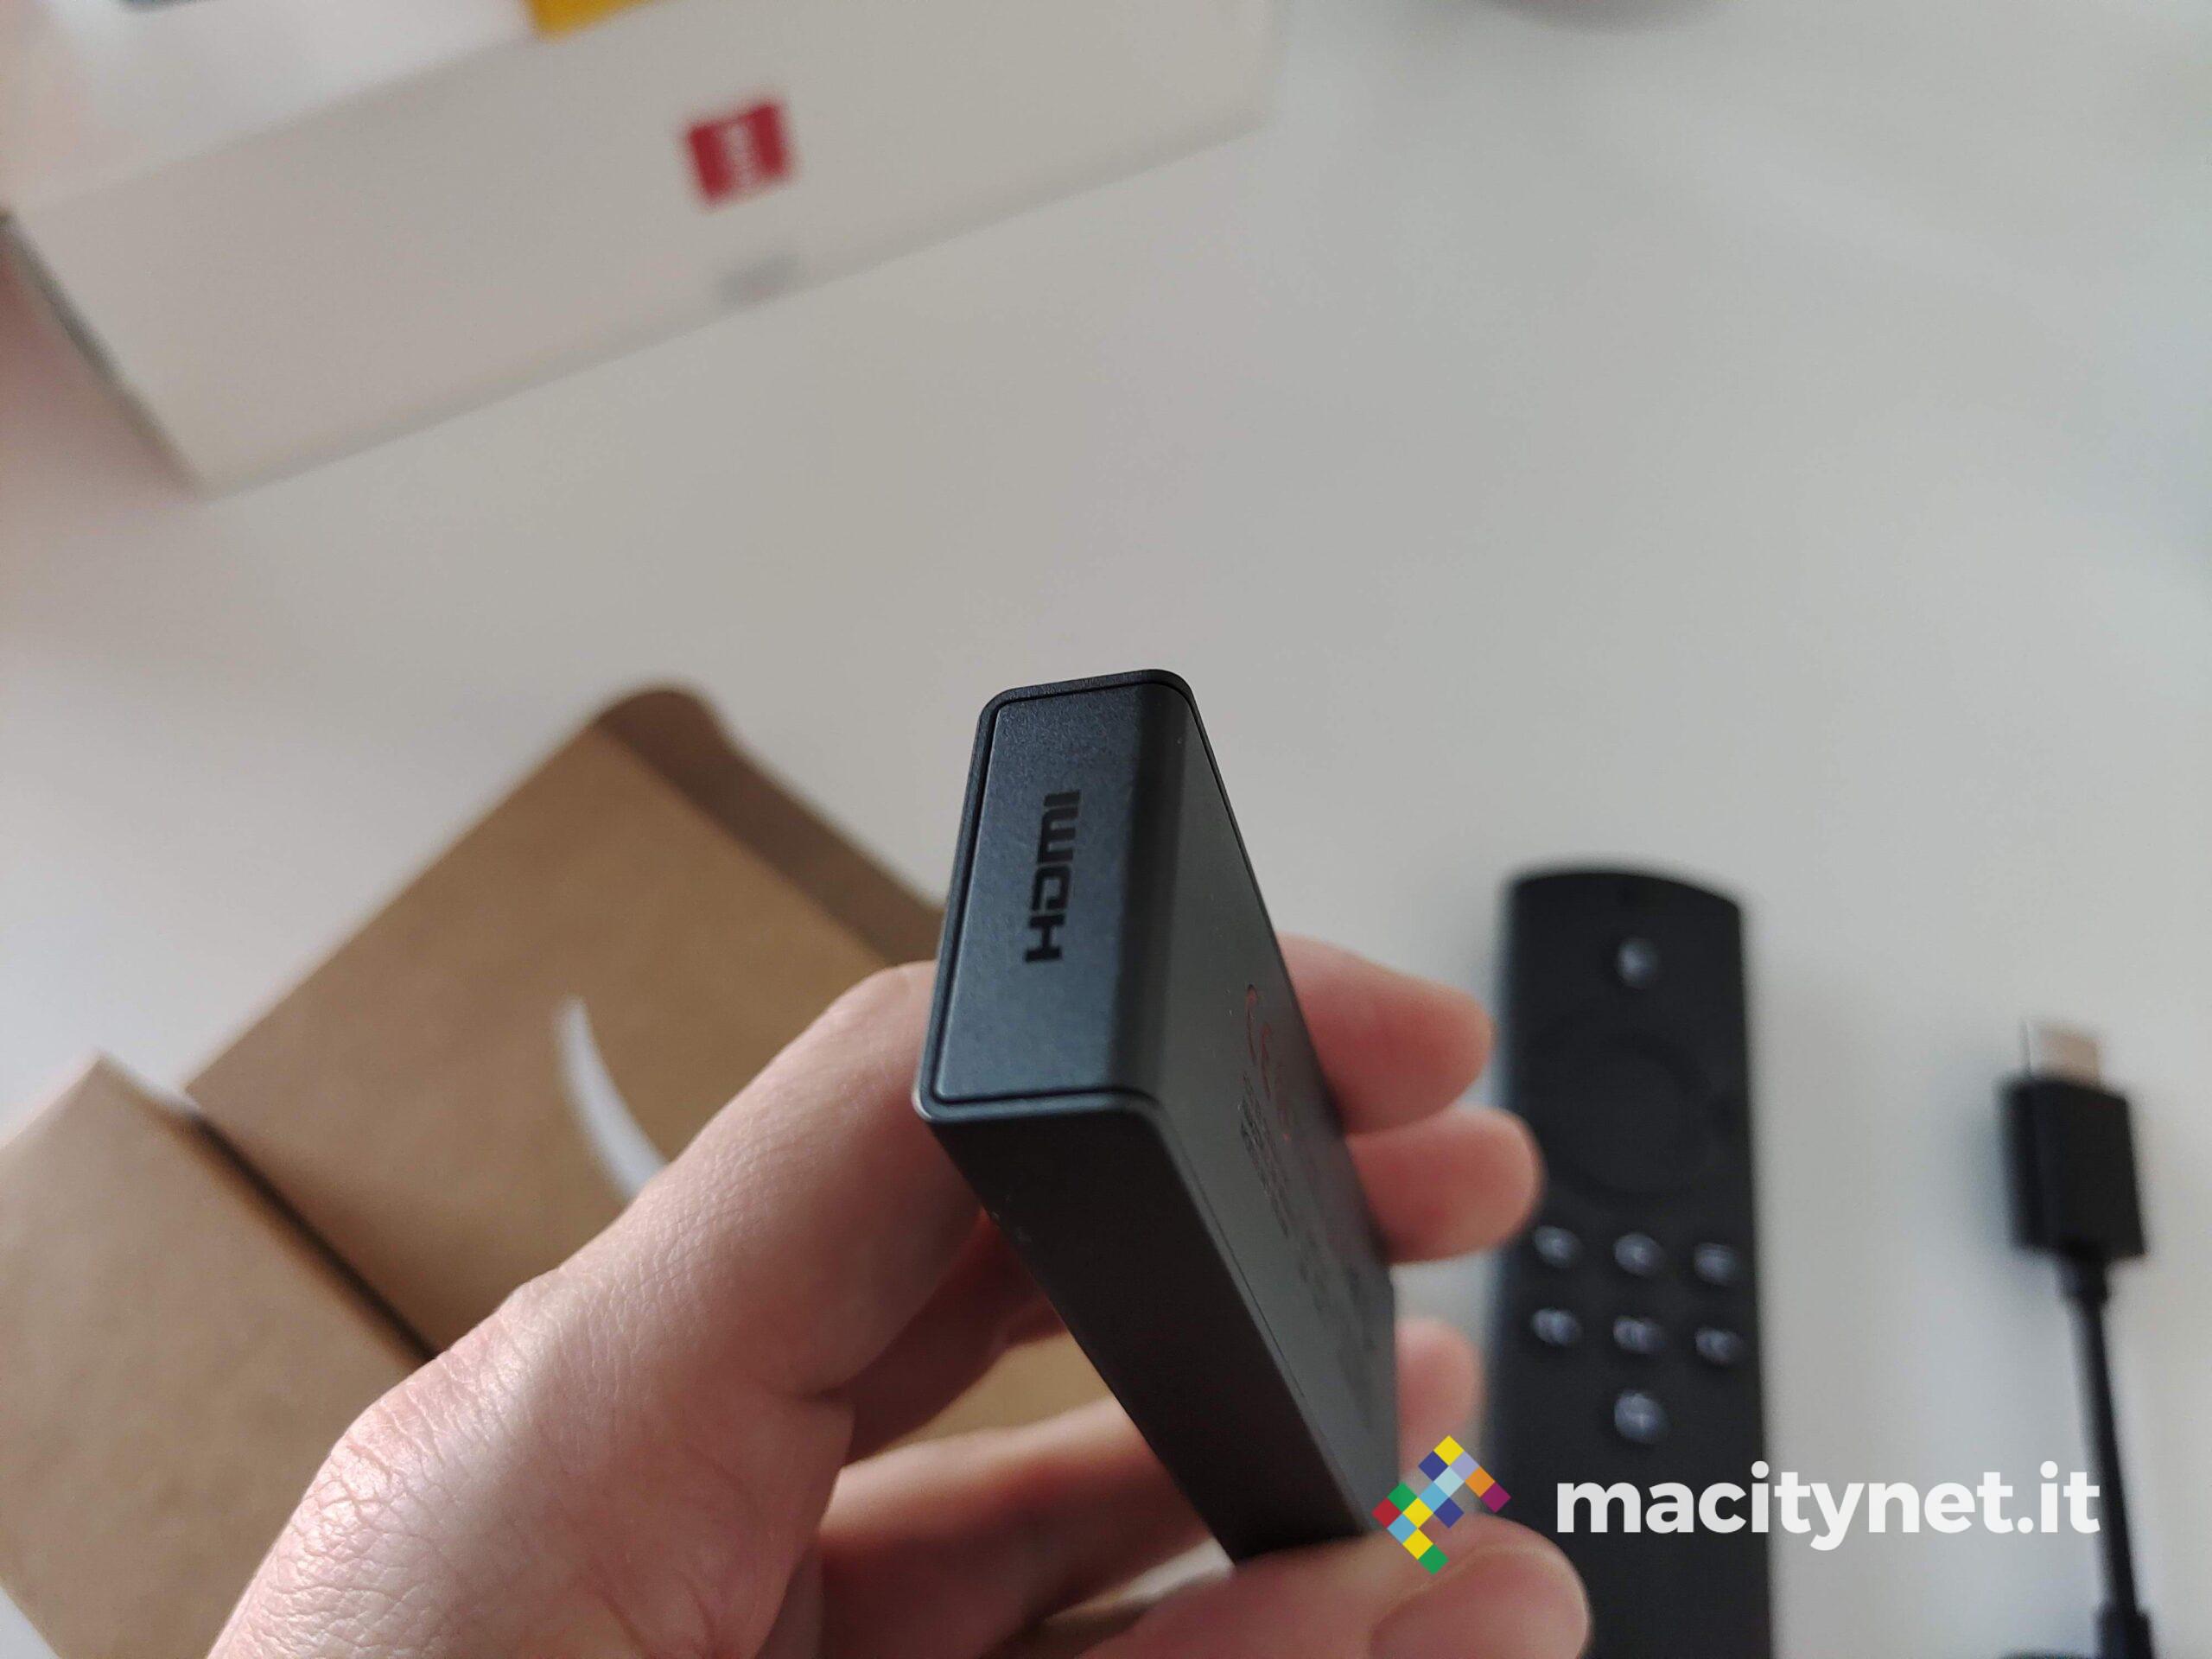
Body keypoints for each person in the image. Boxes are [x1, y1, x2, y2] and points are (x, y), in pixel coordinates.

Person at [212, 941, 1589, 1659]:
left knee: (1435, 1459)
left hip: (1345, 1446)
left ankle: (1440, 1514)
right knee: (1440, 1493)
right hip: (1353, 1463)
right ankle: (1442, 1520)